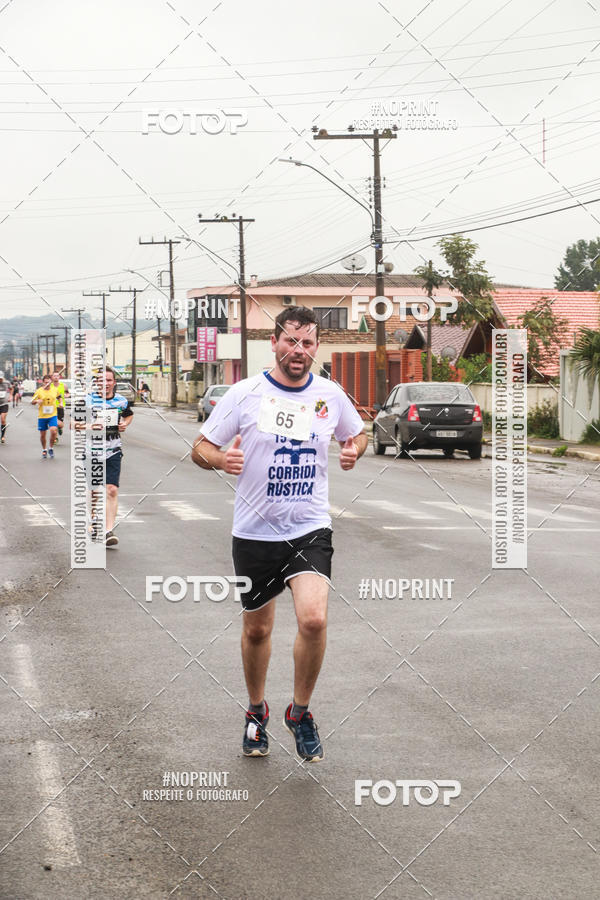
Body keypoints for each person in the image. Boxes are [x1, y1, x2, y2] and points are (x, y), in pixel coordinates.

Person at [191, 307, 367, 762]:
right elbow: (200, 448)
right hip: (253, 532)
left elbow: (358, 434)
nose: (299, 351)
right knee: (257, 630)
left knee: (313, 619)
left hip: (309, 527)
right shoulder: (244, 393)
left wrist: (353, 450)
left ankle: (300, 713)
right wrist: (220, 461)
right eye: (291, 341)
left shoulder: (329, 394)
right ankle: (256, 712)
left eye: (308, 344)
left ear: (316, 348)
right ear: (274, 342)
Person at [84, 366, 134, 547]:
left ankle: (107, 531)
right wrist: (92, 427)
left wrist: (123, 424)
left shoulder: (121, 401)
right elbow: (74, 424)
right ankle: (92, 521)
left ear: (114, 382)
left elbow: (129, 416)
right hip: (92, 452)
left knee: (111, 489)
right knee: (95, 490)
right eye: (101, 380)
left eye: (108, 380)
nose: (105, 383)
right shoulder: (87, 400)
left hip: (113, 450)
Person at [31, 374, 59, 458]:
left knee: (53, 431)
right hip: (42, 416)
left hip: (52, 415)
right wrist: (36, 401)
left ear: (51, 382)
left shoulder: (55, 390)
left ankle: (50, 448)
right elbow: (32, 402)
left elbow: (59, 396)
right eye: (46, 382)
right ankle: (44, 449)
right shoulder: (39, 391)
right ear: (43, 382)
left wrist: (61, 402)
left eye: (49, 382)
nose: (47, 384)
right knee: (43, 435)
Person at [51, 370, 69, 438]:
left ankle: (60, 428)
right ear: (52, 377)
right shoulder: (50, 385)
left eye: (57, 376)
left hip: (60, 407)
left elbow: (67, 393)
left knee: (60, 424)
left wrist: (67, 395)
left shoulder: (63, 385)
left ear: (59, 377)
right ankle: (55, 438)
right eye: (54, 376)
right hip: (51, 407)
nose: (56, 377)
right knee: (53, 423)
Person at [0, 373, 12, 443]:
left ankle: (2, 436)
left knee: (3, 419)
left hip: (4, 404)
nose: (0, 380)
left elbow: (11, 388)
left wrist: (10, 396)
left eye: (1, 379)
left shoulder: (6, 382)